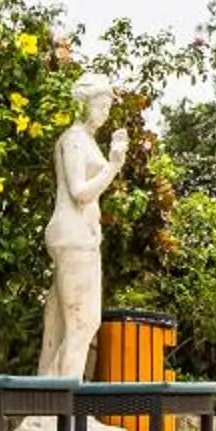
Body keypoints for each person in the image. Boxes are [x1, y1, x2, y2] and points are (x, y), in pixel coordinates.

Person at [35, 72, 128, 382]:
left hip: (81, 237)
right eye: (101, 106)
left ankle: (49, 396)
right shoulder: (74, 139)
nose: (105, 113)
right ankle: (62, 400)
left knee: (62, 322)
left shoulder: (84, 140)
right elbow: (79, 191)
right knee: (83, 321)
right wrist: (113, 167)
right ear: (85, 105)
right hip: (73, 236)